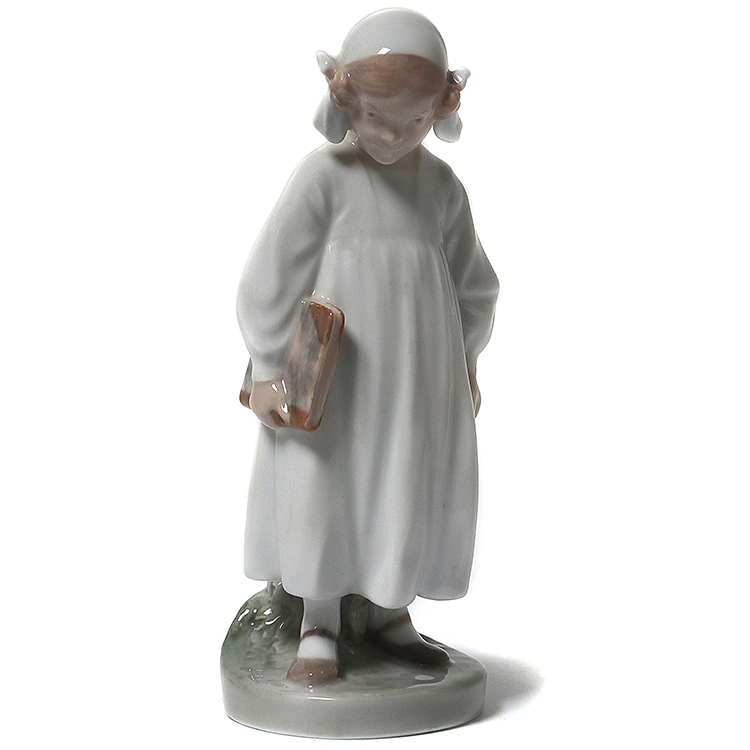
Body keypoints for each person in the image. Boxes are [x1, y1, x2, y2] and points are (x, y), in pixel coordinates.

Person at [236, 9, 499, 685]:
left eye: (414, 120)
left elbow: (475, 284)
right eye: (377, 116)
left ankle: (389, 612)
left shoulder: (440, 188)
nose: (392, 134)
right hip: (337, 378)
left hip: (416, 376)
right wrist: (268, 367)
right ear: (344, 98)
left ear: (439, 112)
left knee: (404, 482)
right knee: (326, 483)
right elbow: (270, 276)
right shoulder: (324, 178)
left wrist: (466, 360)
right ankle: (319, 621)